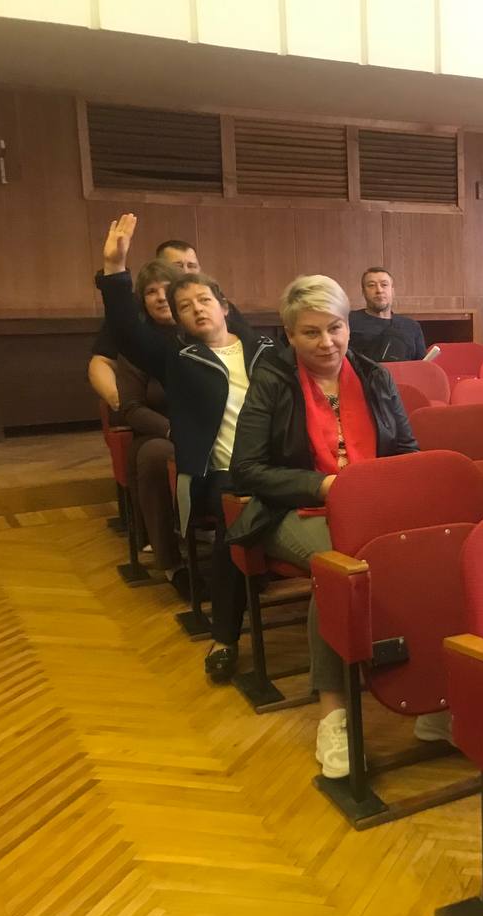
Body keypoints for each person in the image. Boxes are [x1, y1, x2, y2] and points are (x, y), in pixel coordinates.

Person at [227, 274, 421, 777]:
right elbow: (246, 470)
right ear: (290, 335)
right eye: (310, 332)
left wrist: (377, 492)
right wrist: (323, 486)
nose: (326, 342)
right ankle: (334, 713)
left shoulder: (374, 376)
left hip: (372, 511)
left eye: (335, 328)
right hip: (291, 511)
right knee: (341, 567)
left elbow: (407, 452)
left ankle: (427, 693)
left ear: (348, 325)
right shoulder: (273, 379)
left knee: (423, 555)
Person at [98, 213, 274, 683]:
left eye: (204, 300)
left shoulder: (265, 350)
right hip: (221, 475)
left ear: (224, 306)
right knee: (235, 521)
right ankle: (225, 637)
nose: (196, 309)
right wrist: (115, 270)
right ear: (177, 320)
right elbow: (126, 332)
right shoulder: (179, 359)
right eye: (184, 306)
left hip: (275, 470)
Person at [88, 237, 248, 409]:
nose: (186, 272)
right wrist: (120, 401)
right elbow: (105, 357)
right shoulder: (140, 325)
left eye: (192, 266)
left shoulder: (219, 315)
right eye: (178, 266)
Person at [114, 258, 188, 595]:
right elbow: (131, 408)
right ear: (142, 301)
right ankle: (170, 561)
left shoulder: (201, 335)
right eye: (151, 292)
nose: (160, 297)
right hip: (159, 433)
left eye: (166, 289)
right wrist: (173, 430)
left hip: (210, 428)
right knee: (157, 455)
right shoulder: (136, 347)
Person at [345, 267, 427, 362]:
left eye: (384, 285)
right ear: (363, 292)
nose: (379, 290)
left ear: (392, 291)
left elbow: (422, 365)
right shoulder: (348, 321)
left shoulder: (412, 326)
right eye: (371, 285)